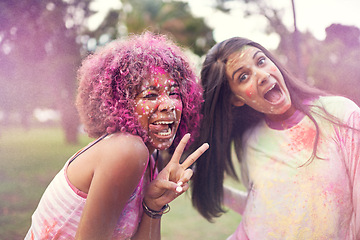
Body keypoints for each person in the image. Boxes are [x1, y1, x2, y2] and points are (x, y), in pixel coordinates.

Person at [25, 32, 209, 240]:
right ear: (121, 104)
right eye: (150, 95)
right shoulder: (126, 150)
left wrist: (153, 205)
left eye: (174, 93)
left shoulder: (148, 162)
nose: (168, 105)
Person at [191, 36, 360, 239]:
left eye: (261, 61)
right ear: (236, 98)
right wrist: (203, 182)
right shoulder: (250, 140)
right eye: (243, 77)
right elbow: (268, 210)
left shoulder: (340, 114)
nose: (261, 75)